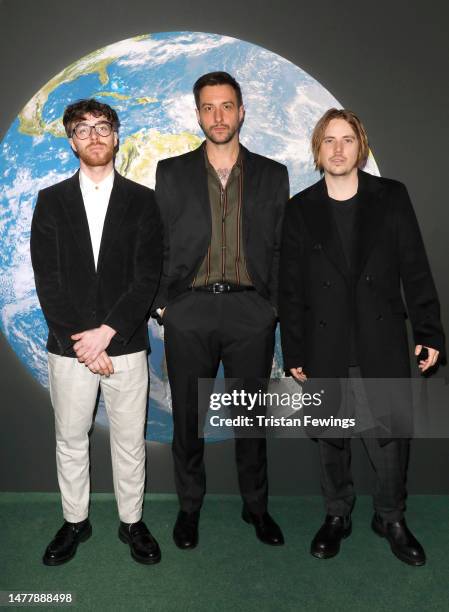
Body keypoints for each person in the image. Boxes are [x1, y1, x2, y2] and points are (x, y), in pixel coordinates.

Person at [279, 108, 445, 566]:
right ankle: (337, 516)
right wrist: (293, 348)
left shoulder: (391, 198)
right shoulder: (299, 210)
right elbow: (289, 288)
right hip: (322, 344)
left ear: (361, 147)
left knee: (390, 441)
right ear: (317, 149)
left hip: (382, 340)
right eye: (329, 140)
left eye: (347, 139)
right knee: (332, 440)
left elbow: (415, 269)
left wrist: (429, 330)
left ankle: (391, 518)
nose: (337, 148)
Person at [153, 71, 289, 549]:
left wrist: (271, 307)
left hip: (252, 313)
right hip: (189, 312)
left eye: (227, 106)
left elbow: (278, 248)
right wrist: (164, 305)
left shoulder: (273, 174)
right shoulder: (171, 173)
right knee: (187, 421)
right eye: (209, 107)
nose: (218, 116)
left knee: (251, 421)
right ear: (198, 114)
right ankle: (189, 510)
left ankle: (257, 508)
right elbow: (159, 244)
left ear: (241, 111)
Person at [30, 99, 162, 566]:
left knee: (129, 440)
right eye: (82, 130)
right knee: (70, 438)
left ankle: (132, 523)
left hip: (125, 344)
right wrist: (82, 342)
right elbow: (48, 280)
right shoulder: (50, 201)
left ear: (116, 135)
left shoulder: (144, 201)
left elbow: (147, 276)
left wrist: (106, 332)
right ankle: (75, 522)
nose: (93, 136)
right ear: (71, 141)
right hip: (69, 349)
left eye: (102, 127)